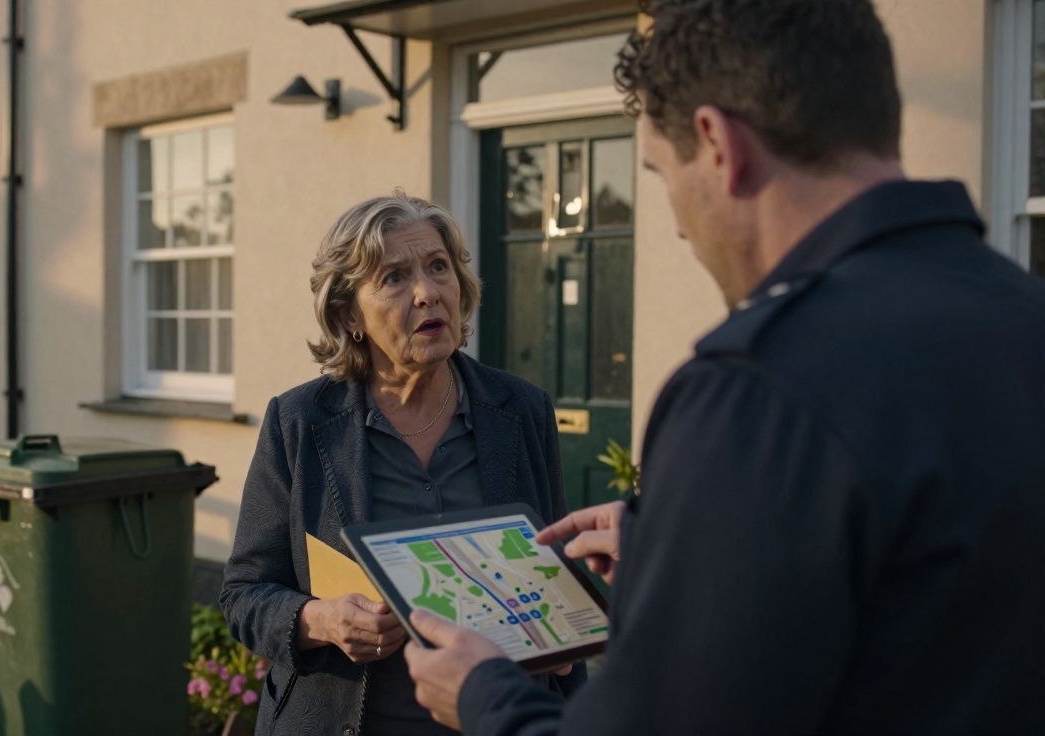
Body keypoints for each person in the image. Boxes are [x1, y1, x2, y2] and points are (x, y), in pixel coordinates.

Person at [403, 0, 1045, 733]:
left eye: (661, 171)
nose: (676, 220)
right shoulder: (1022, 313)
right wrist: (680, 543)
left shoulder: (760, 387)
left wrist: (486, 694)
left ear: (717, 145)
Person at [220, 191, 585, 736]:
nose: (427, 292)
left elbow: (555, 566)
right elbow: (243, 595)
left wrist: (564, 638)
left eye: (439, 267)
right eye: (394, 277)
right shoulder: (298, 422)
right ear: (349, 314)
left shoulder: (521, 410)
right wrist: (319, 620)